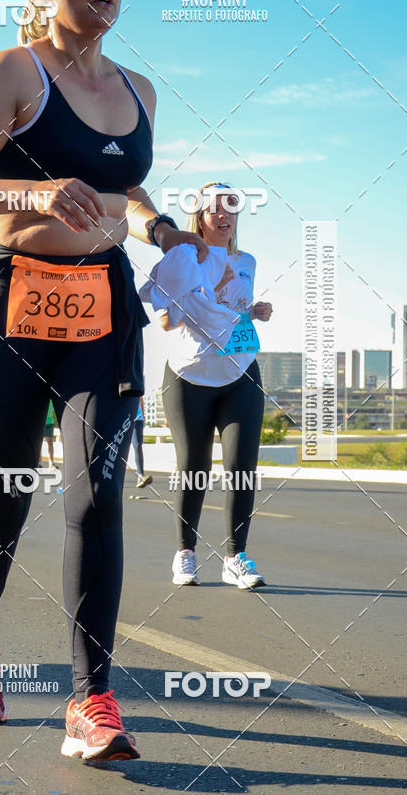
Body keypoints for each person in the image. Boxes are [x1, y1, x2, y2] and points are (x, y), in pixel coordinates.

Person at [0, 0, 206, 760]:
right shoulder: (13, 70)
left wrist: (160, 227)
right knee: (5, 494)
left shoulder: (141, 88)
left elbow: (128, 185)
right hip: (7, 304)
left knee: (94, 496)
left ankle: (93, 701)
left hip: (100, 310)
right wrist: (37, 197)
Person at [141, 183, 273, 588]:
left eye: (230, 208)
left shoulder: (247, 259)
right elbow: (167, 320)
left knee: (242, 469)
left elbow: (235, 311)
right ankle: (186, 553)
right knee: (193, 467)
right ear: (198, 216)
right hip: (189, 376)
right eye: (213, 209)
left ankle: (236, 558)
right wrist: (210, 290)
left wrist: (255, 310)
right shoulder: (183, 257)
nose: (223, 215)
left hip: (240, 372)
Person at [131, 397, 152, 488]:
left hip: (138, 419)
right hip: (124, 416)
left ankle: (140, 475)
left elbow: (141, 398)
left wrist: (143, 417)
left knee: (137, 445)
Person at [41, 400, 58, 468]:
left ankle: (51, 463)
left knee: (50, 442)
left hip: (50, 422)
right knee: (39, 443)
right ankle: (39, 463)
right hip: (41, 420)